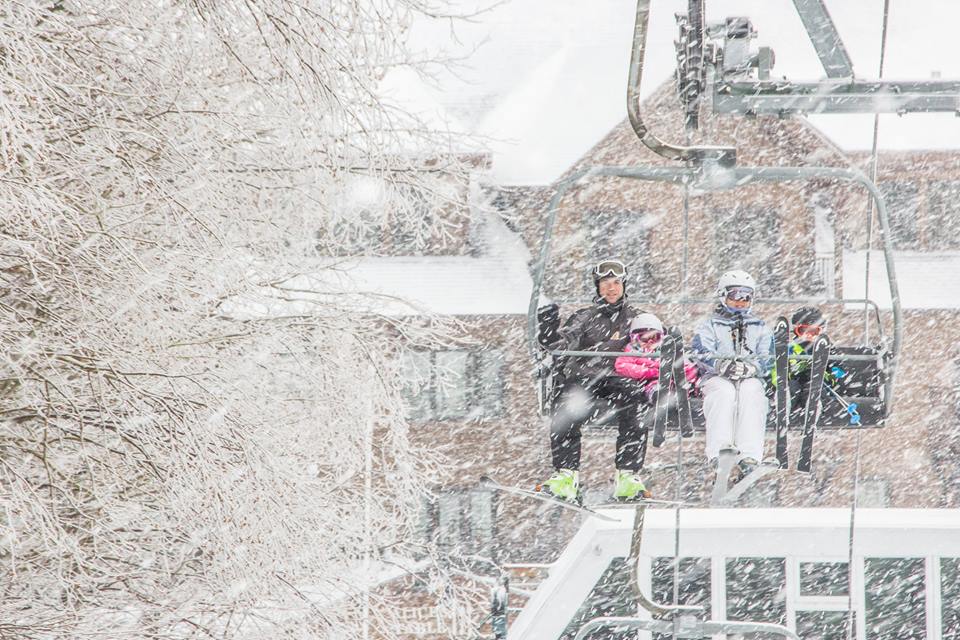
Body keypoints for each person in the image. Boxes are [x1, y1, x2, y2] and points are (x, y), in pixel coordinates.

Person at [535, 259, 648, 502]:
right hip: (585, 377)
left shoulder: (637, 318)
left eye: (616, 283)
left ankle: (627, 474)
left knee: (635, 398)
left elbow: (653, 341)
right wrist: (548, 332)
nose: (611, 288)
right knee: (566, 402)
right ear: (597, 287)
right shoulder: (585, 317)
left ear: (624, 285)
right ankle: (566, 474)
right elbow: (562, 344)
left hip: (619, 377)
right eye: (605, 283)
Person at [691, 270, 774, 479]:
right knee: (723, 393)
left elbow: (768, 356)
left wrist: (752, 368)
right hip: (717, 377)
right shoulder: (710, 324)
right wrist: (720, 365)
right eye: (734, 296)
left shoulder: (760, 327)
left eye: (746, 297)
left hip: (749, 378)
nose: (740, 302)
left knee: (752, 392)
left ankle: (749, 455)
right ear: (723, 296)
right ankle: (719, 452)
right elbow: (701, 351)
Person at [614, 313, 699, 427]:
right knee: (653, 386)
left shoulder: (667, 350)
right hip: (649, 380)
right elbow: (622, 366)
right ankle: (659, 396)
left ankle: (683, 394)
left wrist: (678, 372)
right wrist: (648, 372)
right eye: (643, 338)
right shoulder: (632, 351)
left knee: (686, 377)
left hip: (672, 378)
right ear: (634, 338)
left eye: (655, 337)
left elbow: (686, 364)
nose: (650, 342)